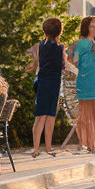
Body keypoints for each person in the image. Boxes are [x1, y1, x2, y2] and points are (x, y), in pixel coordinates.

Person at [30, 18, 72, 157]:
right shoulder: (59, 48)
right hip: (54, 83)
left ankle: (36, 148)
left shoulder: (42, 45)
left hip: (43, 82)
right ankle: (48, 147)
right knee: (50, 115)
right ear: (60, 31)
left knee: (40, 115)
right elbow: (62, 66)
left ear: (44, 30)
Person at [70, 16, 95, 154]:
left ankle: (91, 144)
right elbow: (73, 60)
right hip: (86, 82)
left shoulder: (93, 43)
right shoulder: (82, 43)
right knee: (85, 115)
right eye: (93, 25)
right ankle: (84, 144)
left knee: (93, 116)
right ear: (86, 27)